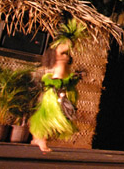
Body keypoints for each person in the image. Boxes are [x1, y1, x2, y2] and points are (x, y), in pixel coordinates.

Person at [29, 17, 85, 152]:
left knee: (54, 116)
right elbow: (68, 44)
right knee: (50, 116)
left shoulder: (62, 49)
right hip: (56, 88)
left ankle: (37, 138)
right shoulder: (60, 47)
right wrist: (75, 33)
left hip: (62, 87)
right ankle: (40, 140)